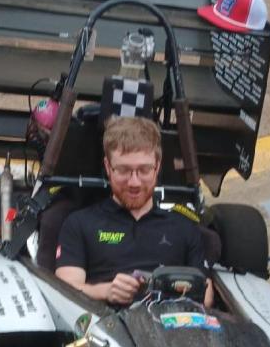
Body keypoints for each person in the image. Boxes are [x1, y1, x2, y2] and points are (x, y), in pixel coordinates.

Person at [55, 116, 206, 304]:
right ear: (108, 167)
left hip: (172, 323)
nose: (134, 182)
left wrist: (171, 290)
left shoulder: (184, 227)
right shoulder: (79, 224)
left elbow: (206, 296)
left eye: (144, 170)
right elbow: (63, 291)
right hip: (104, 325)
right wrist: (106, 291)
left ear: (157, 167)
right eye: (124, 170)